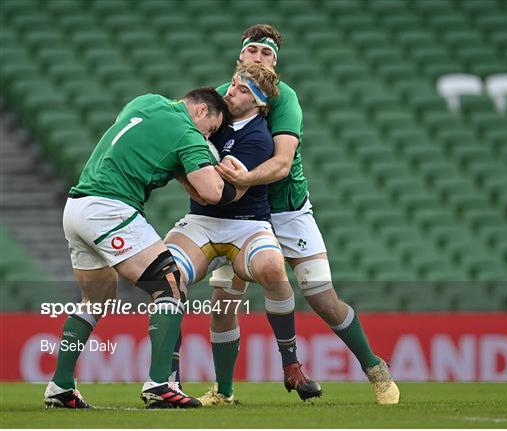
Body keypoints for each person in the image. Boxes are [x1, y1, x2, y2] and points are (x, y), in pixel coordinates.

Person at [192, 24, 400, 405]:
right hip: (239, 215)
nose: (259, 57)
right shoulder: (222, 98)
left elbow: (282, 164)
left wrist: (245, 178)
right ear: (240, 56)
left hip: (286, 209)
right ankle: (223, 392)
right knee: (223, 302)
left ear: (276, 62)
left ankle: (375, 368)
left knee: (322, 298)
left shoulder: (283, 98)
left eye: (267, 53)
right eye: (253, 50)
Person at [43, 87, 235, 409]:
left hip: (77, 207)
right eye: (211, 129)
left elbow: (144, 147)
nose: (208, 136)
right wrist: (232, 183)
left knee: (96, 300)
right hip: (110, 207)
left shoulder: (146, 101)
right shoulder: (188, 133)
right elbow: (210, 192)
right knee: (170, 286)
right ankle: (160, 385)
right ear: (201, 111)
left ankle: (60, 386)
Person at [166, 62, 322, 404]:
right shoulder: (213, 116)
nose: (230, 91)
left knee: (272, 268)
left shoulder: (258, 138)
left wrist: (188, 169)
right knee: (166, 276)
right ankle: (169, 381)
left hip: (247, 223)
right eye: (234, 84)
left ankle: (291, 364)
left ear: (258, 104)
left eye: (240, 90)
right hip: (203, 222)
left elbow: (226, 193)